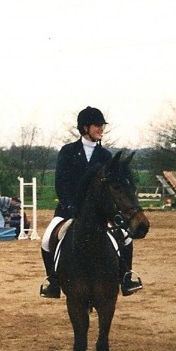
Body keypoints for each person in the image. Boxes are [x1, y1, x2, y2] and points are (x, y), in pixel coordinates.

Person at [39, 106, 142, 299]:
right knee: (46, 240)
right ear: (85, 127)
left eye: (102, 125)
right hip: (69, 209)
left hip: (101, 212)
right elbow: (61, 183)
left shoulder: (105, 156)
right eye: (97, 125)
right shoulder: (68, 151)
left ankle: (126, 277)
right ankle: (53, 281)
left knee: (126, 238)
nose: (101, 129)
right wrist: (71, 206)